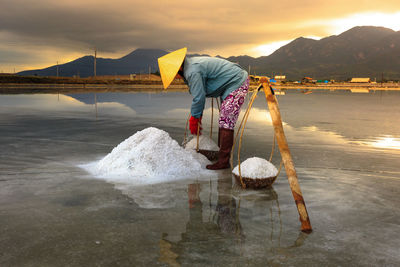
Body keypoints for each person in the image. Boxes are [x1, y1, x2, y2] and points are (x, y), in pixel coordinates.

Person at [158, 47, 249, 170]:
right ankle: (221, 155)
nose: (175, 77)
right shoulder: (190, 67)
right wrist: (197, 115)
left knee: (226, 121)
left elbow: (199, 97)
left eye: (173, 74)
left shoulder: (192, 71)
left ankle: (223, 161)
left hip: (237, 82)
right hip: (230, 84)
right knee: (224, 120)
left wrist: (195, 118)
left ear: (178, 68)